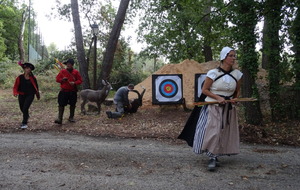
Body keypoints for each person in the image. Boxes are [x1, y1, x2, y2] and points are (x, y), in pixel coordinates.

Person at [179, 47, 243, 171]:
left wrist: (235, 99)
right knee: (214, 131)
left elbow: (236, 91)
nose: (233, 58)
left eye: (234, 56)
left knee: (223, 132)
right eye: (231, 55)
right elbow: (205, 90)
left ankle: (216, 154)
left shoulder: (237, 74)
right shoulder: (213, 73)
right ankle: (212, 157)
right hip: (213, 106)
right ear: (224, 57)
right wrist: (218, 98)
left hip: (228, 108)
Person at [54, 58, 82, 124]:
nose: (68, 65)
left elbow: (80, 80)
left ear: (72, 65)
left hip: (72, 91)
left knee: (72, 104)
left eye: (69, 64)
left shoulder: (76, 72)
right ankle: (60, 118)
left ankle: (71, 117)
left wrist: (74, 83)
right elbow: (57, 79)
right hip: (64, 91)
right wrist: (62, 80)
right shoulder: (62, 71)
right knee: (61, 104)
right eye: (67, 64)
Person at [13, 62, 40, 129]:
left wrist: (37, 94)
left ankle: (24, 122)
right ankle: (27, 116)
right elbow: (15, 86)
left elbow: (36, 87)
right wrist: (15, 92)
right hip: (21, 95)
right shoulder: (20, 77)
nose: (28, 70)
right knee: (22, 108)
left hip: (30, 95)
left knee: (25, 108)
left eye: (29, 68)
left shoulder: (33, 78)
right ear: (24, 69)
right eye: (27, 68)